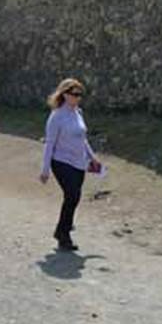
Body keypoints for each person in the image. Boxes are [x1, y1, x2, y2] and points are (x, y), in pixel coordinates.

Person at [39, 78, 102, 251]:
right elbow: (49, 143)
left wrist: (93, 157)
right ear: (65, 94)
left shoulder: (78, 113)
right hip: (61, 161)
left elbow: (83, 139)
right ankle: (64, 234)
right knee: (72, 194)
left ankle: (62, 228)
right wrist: (45, 169)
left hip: (79, 162)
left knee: (74, 197)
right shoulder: (56, 116)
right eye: (75, 94)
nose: (78, 97)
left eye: (80, 94)